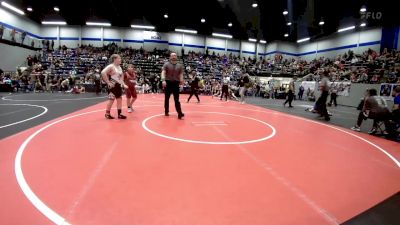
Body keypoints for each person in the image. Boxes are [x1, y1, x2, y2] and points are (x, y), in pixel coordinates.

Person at [101, 54, 128, 119]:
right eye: (119, 58)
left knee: (119, 99)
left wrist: (123, 84)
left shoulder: (119, 67)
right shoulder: (111, 66)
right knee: (111, 99)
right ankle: (107, 114)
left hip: (118, 85)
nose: (120, 59)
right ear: (114, 59)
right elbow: (103, 72)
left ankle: (119, 114)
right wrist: (108, 82)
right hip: (112, 85)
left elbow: (121, 77)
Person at [161, 52, 185, 119]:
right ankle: (166, 111)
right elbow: (163, 72)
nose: (174, 56)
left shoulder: (180, 66)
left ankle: (179, 113)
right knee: (167, 99)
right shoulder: (166, 64)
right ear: (170, 57)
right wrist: (163, 80)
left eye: (175, 55)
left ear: (177, 57)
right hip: (168, 83)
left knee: (177, 99)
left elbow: (181, 75)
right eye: (172, 55)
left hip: (176, 83)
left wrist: (182, 83)